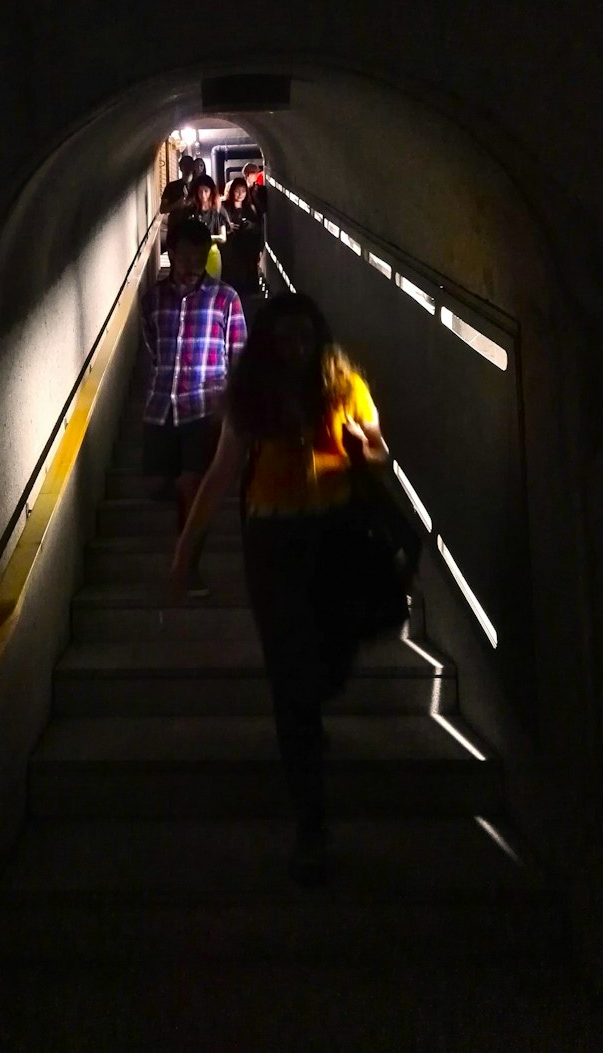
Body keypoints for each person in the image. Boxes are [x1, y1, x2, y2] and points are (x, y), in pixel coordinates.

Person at [171, 293, 389, 882]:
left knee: (326, 664)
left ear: (318, 339)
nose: (295, 350)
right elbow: (220, 475)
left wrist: (364, 449)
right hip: (272, 542)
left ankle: (310, 714)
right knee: (291, 681)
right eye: (285, 339)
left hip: (335, 535)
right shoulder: (251, 398)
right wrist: (186, 551)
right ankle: (310, 826)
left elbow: (379, 454)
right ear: (268, 342)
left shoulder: (345, 389)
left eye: (304, 338)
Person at [141, 215, 247, 597]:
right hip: (160, 405)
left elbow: (237, 353)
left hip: (205, 406)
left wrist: (234, 406)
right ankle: (185, 549)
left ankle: (188, 569)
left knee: (192, 485)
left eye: (199, 258)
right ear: (171, 252)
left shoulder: (226, 298)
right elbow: (152, 346)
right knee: (155, 483)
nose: (191, 267)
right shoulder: (153, 297)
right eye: (184, 258)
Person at [220, 176, 263, 306]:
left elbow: (258, 228)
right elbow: (219, 222)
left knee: (246, 276)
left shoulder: (250, 207)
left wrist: (250, 225)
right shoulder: (224, 206)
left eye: (243, 191)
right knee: (230, 274)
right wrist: (229, 226)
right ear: (232, 191)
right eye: (237, 191)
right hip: (230, 247)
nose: (240, 194)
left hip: (246, 247)